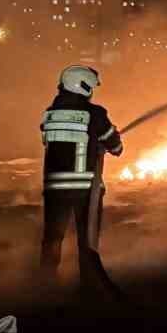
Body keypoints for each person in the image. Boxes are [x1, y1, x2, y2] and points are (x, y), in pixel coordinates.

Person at [41, 63, 123, 288]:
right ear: (82, 86)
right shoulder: (95, 114)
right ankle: (89, 284)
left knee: (52, 237)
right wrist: (109, 139)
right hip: (85, 190)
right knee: (87, 241)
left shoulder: (50, 114)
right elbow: (116, 148)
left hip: (54, 189)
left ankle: (45, 283)